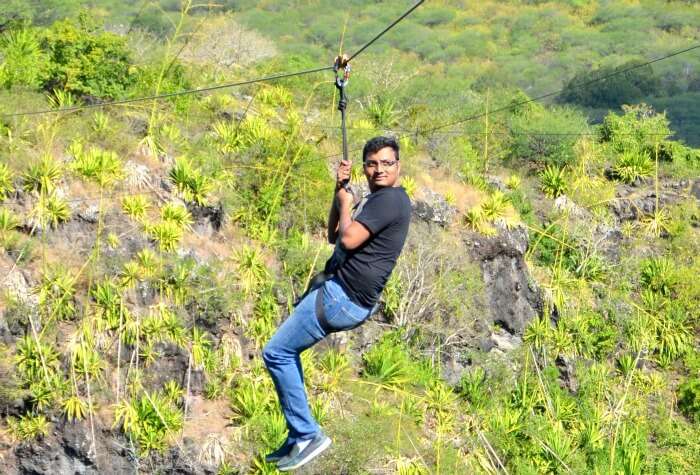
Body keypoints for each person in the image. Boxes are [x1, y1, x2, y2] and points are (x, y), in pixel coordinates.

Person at [261, 136, 412, 471]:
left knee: (276, 353)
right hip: (346, 297)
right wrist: (339, 191)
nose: (379, 170)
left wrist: (347, 202)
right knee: (286, 353)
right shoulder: (378, 201)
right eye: (372, 164)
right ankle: (297, 436)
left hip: (340, 297)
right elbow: (333, 234)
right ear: (364, 167)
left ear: (398, 166)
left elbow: (347, 237)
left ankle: (308, 434)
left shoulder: (389, 202)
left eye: (387, 163)